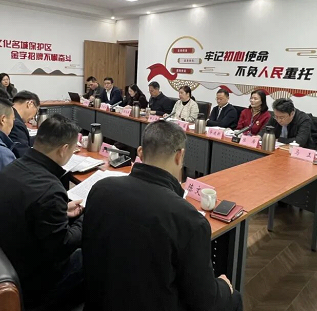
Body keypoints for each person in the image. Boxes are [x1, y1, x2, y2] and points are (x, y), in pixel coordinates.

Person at [83, 120, 242, 311]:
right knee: (234, 298)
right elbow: (204, 301)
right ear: (179, 156)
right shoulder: (188, 218)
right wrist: (224, 286)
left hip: (100, 300)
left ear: (140, 152)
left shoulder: (100, 189)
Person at [0, 114, 84, 311]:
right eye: (73, 150)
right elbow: (62, 248)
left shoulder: (13, 167)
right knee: (91, 254)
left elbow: (30, 210)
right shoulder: (50, 189)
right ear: (63, 149)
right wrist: (84, 220)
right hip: (30, 285)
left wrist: (62, 211)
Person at [10, 91, 40, 157]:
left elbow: (22, 139)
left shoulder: (11, 114)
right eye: (36, 112)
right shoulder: (15, 123)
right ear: (30, 104)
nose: (33, 118)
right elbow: (23, 153)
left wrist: (42, 138)